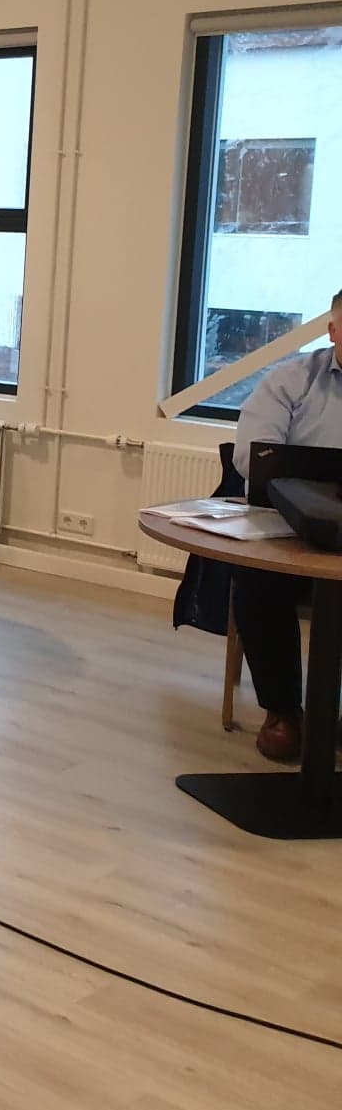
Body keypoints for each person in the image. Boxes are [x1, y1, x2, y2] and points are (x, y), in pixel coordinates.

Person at [230, 287, 342, 763]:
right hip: (292, 529)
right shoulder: (291, 380)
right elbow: (251, 455)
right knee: (256, 580)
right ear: (333, 331)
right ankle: (283, 713)